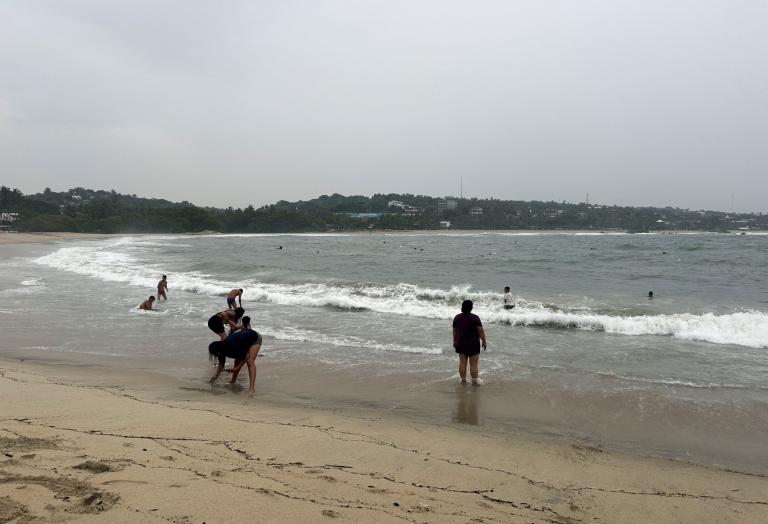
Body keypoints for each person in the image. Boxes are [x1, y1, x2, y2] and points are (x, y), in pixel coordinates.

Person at [208, 316, 262, 396]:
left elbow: (246, 356)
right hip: (244, 337)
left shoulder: (231, 346)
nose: (217, 355)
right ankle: (233, 380)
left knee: (250, 362)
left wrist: (237, 368)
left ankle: (251, 388)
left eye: (215, 353)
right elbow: (221, 365)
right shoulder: (221, 350)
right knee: (237, 359)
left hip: (255, 338)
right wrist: (215, 377)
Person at [452, 300, 487, 385]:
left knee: (462, 362)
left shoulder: (457, 317)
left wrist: (454, 341)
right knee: (473, 364)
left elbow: (454, 331)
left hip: (461, 343)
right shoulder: (475, 318)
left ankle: (463, 380)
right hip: (473, 343)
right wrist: (484, 341)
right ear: (471, 307)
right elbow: (480, 331)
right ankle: (474, 380)